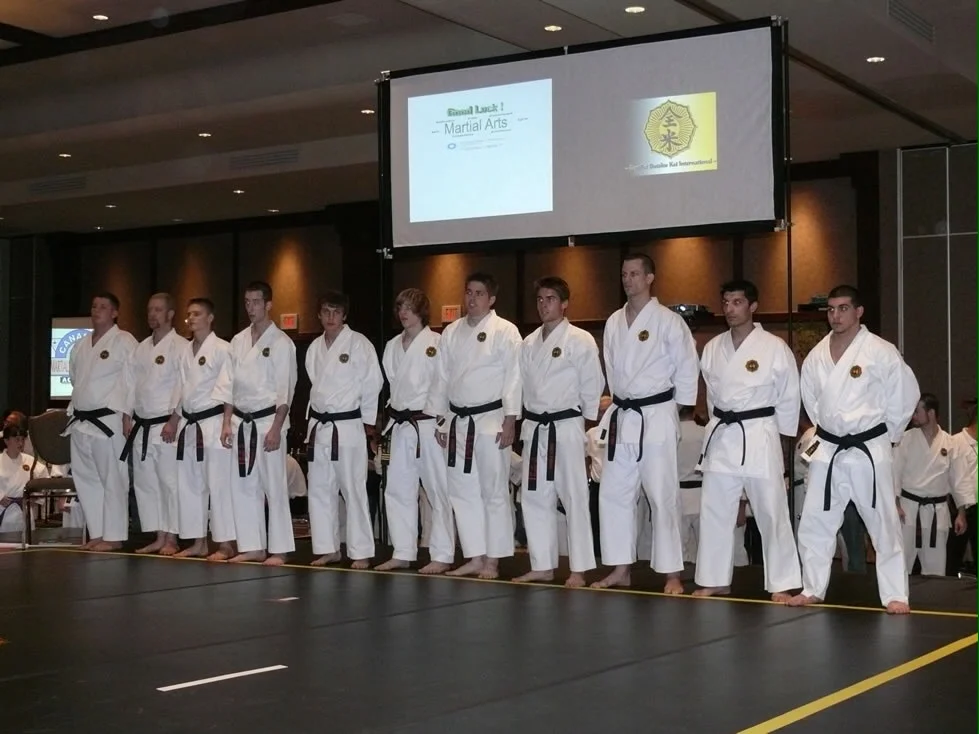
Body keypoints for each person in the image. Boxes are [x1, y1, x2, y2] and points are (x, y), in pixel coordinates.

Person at [788, 285, 919, 614]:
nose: (836, 315)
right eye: (831, 309)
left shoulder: (880, 351)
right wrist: (829, 430)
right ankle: (812, 587)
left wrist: (888, 435)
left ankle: (895, 594)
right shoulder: (817, 355)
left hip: (868, 446)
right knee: (815, 519)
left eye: (843, 308)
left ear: (859, 312)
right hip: (829, 447)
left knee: (883, 521)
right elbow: (812, 402)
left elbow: (905, 395)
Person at [592, 253, 699, 592]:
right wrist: (617, 400)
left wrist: (673, 409)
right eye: (624, 274)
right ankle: (620, 568)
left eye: (635, 273)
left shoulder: (668, 321)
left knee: (662, 494)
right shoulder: (613, 321)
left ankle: (672, 572)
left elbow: (687, 368)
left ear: (650, 278)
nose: (628, 280)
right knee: (614, 493)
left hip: (656, 415)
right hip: (623, 415)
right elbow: (611, 368)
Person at [693, 280, 802, 601]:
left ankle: (781, 582)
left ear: (753, 306)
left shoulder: (773, 347)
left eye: (737, 302)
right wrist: (715, 422)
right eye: (726, 302)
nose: (730, 309)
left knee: (771, 510)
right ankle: (714, 578)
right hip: (723, 435)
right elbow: (712, 397)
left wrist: (783, 438)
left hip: (759, 433)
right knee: (714, 510)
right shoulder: (713, 347)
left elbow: (789, 396)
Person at [427, 272, 521, 580]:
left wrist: (511, 419)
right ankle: (475, 556)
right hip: (458, 421)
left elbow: (514, 377)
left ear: (491, 299)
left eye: (479, 293)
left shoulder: (505, 330)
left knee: (494, 492)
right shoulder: (452, 332)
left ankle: (493, 560)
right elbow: (441, 378)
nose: (472, 298)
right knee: (462, 492)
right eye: (468, 292)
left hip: (491, 419)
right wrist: (441, 419)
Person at [513, 277, 604, 588]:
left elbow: (593, 384)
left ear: (564, 303)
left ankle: (579, 568)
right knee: (533, 496)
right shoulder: (528, 343)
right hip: (535, 428)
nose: (543, 305)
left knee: (574, 496)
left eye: (550, 298)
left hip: (565, 426)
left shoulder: (580, 339)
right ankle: (542, 564)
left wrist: (587, 425)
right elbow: (520, 387)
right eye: (540, 299)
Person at [215, 281, 297, 566]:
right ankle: (252, 546)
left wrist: (276, 427)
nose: (250, 307)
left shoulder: (281, 343)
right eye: (247, 302)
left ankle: (280, 549)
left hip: (268, 421)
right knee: (243, 485)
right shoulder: (238, 341)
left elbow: (285, 390)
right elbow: (228, 385)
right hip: (241, 421)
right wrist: (226, 422)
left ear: (269, 304)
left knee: (274, 486)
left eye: (256, 302)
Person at [376, 288, 455, 574]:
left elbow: (444, 385)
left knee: (437, 490)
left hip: (428, 423)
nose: (403, 313)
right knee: (397, 489)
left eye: (409, 308)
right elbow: (392, 387)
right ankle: (403, 551)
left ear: (421, 311)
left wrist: (442, 422)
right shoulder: (391, 346)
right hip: (399, 425)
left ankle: (443, 554)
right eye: (400, 308)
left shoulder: (437, 342)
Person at [304, 291, 383, 569]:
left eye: (336, 312)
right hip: (319, 425)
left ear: (344, 315)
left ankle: (361, 550)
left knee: (353, 489)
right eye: (326, 311)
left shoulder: (359, 344)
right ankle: (328, 548)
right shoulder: (314, 347)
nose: (330, 317)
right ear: (319, 315)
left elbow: (373, 382)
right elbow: (315, 384)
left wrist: (368, 424)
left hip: (348, 425)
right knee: (319, 489)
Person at [64, 293, 138, 552]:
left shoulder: (124, 341)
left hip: (109, 421)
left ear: (115, 313)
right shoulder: (81, 345)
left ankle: (114, 536)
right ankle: (98, 532)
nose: (97, 310)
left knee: (113, 479)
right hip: (82, 421)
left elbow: (132, 381)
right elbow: (75, 379)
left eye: (103, 307)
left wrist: (127, 414)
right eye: (94, 306)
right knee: (86, 480)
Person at [123, 293, 185, 556]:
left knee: (169, 482)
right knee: (146, 484)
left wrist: (175, 419)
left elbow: (184, 386)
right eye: (150, 310)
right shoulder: (141, 348)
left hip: (166, 424)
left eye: (158, 310)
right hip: (142, 425)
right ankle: (158, 536)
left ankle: (172, 537)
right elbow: (130, 384)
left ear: (170, 314)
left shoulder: (181, 346)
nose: (152, 314)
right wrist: (126, 415)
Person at [174, 298, 235, 560]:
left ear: (210, 318)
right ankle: (198, 542)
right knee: (190, 485)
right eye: (189, 314)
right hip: (189, 424)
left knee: (218, 485)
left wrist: (226, 423)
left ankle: (225, 544)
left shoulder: (222, 348)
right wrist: (175, 420)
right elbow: (181, 390)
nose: (191, 318)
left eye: (197, 314)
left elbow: (229, 388)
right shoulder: (185, 351)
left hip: (213, 423)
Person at [893, 393, 965, 576]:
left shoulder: (950, 443)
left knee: (936, 568)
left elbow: (958, 480)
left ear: (931, 413)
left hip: (937, 512)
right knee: (901, 565)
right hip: (908, 510)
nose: (913, 416)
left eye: (917, 412)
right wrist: (895, 505)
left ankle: (933, 594)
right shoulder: (905, 439)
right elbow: (894, 473)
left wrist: (961, 513)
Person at [0, 422, 49, 536]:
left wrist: (35, 497)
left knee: (25, 541)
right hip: (3, 509)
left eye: (22, 439)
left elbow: (45, 480)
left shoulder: (30, 461)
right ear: (6, 441)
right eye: (17, 439)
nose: (21, 443)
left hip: (24, 510)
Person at [947, 399, 977, 574]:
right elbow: (955, 480)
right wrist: (961, 512)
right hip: (960, 508)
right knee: (953, 556)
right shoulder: (956, 442)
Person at [677, 407, 706, 565]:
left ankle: (681, 575)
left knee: (679, 545)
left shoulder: (672, 433)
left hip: (678, 494)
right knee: (704, 545)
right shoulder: (703, 433)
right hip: (701, 493)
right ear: (693, 413)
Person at [585, 395, 612, 559]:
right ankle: (597, 559)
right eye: (600, 412)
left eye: (606, 411)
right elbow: (584, 456)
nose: (603, 415)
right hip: (597, 485)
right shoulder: (591, 434)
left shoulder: (621, 430)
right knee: (595, 523)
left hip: (615, 486)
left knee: (615, 524)